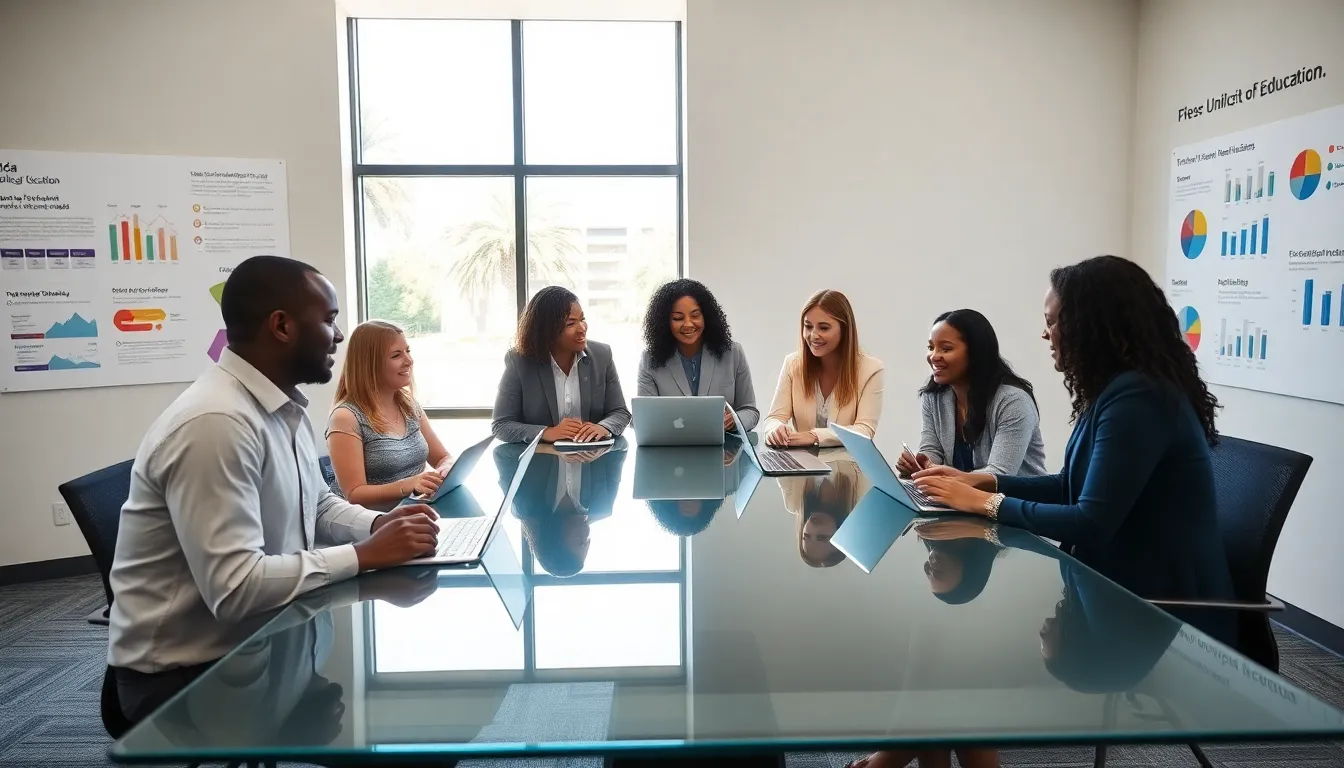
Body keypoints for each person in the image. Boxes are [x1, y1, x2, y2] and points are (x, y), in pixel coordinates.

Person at [106, 255, 440, 729]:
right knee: (413, 735)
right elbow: (236, 588)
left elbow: (318, 504)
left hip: (265, 635)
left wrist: (379, 525)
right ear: (281, 326)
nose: (339, 336)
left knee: (407, 710)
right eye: (328, 320)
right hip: (185, 676)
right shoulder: (216, 423)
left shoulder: (282, 408)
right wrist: (366, 555)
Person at [911, 255, 1236, 616]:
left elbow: (1090, 524)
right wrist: (979, 482)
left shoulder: (1140, 398)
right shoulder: (1114, 392)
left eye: (1052, 322)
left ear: (1089, 326)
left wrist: (983, 502)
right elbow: (1069, 485)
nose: (1045, 333)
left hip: (1162, 612)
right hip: (1115, 583)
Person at [896, 309, 1048, 478]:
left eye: (945, 349)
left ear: (976, 352)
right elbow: (932, 450)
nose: (933, 356)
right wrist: (919, 464)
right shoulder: (934, 396)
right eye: (931, 347)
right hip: (959, 501)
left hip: (1016, 502)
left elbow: (1000, 475)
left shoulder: (1013, 402)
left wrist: (942, 476)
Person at [326, 320, 458, 511]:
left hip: (410, 512)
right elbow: (354, 494)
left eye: (408, 351)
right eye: (397, 355)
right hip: (369, 524)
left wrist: (446, 468)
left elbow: (443, 457)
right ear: (369, 365)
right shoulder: (346, 417)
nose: (409, 360)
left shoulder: (409, 405)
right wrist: (410, 485)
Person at [491, 286, 631, 444]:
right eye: (571, 324)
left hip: (592, 459)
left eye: (582, 319)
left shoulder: (602, 355)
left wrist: (604, 427)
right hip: (542, 461)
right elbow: (501, 425)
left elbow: (620, 412)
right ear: (547, 330)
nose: (582, 328)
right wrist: (546, 432)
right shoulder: (519, 361)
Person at [763, 289, 884, 448]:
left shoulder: (871, 369)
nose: (813, 335)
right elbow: (774, 418)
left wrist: (813, 436)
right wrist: (775, 430)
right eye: (808, 326)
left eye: (824, 328)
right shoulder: (792, 364)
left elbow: (864, 430)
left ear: (845, 330)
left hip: (847, 467)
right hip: (804, 465)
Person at [637, 278, 760, 431]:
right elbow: (645, 419)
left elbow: (750, 411)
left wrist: (734, 420)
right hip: (671, 447)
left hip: (725, 449)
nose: (688, 324)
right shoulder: (649, 360)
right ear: (665, 322)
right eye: (678, 318)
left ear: (706, 316)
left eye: (695, 315)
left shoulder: (733, 354)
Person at [493, 441, 627, 577]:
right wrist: (600, 447)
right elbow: (622, 447)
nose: (587, 535)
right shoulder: (602, 506)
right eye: (587, 542)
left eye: (579, 542)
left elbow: (502, 453)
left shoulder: (525, 506)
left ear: (554, 539)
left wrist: (552, 448)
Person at [780, 457, 867, 567]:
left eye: (806, 536)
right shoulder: (861, 499)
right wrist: (815, 443)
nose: (813, 527)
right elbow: (859, 450)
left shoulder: (794, 501)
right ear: (840, 534)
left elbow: (781, 456)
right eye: (822, 537)